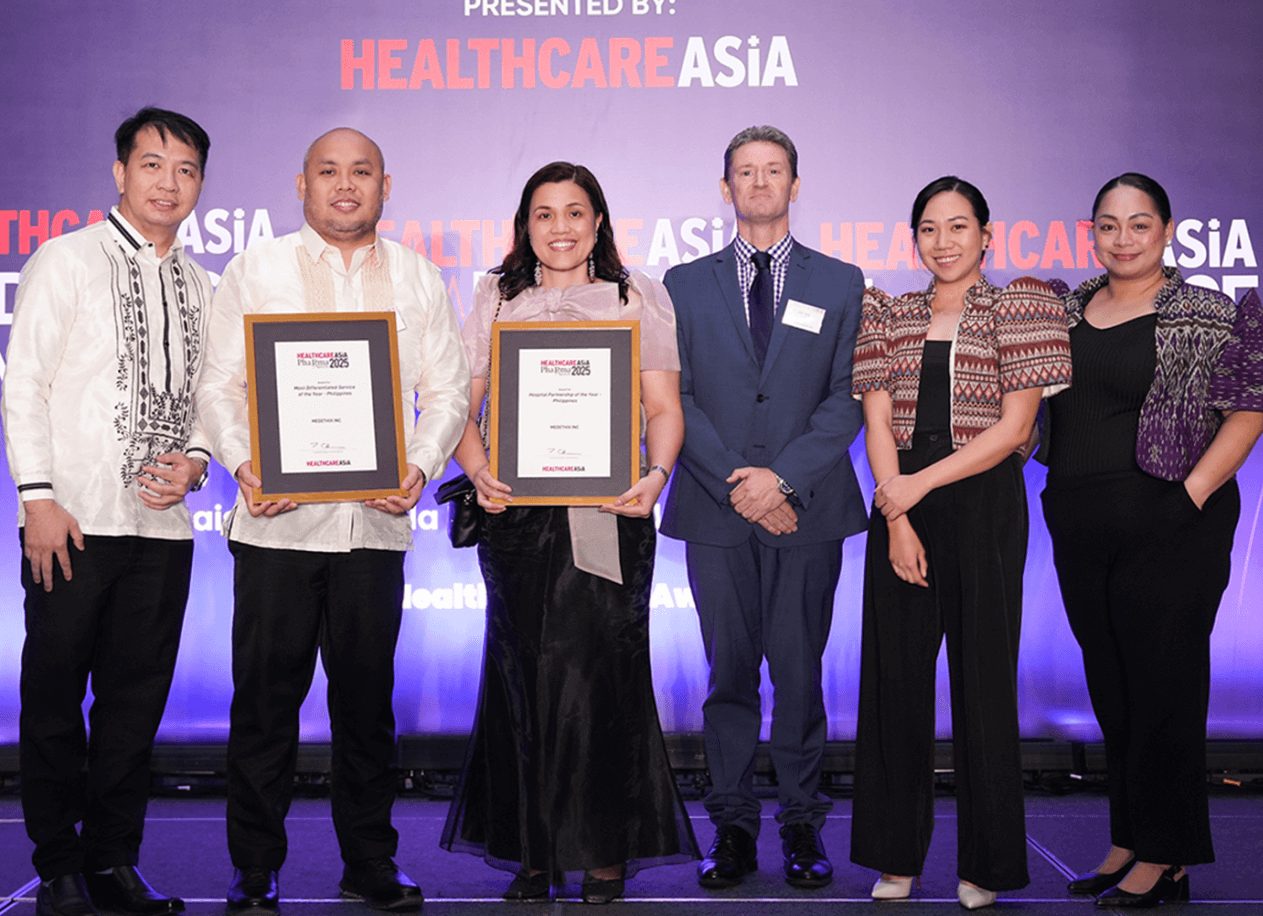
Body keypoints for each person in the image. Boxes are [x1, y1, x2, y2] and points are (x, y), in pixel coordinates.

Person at [194, 128, 470, 915]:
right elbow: (218, 387)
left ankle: (370, 862)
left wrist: (417, 463)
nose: (344, 186)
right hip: (277, 528)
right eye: (328, 172)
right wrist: (247, 460)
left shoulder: (417, 277)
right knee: (264, 705)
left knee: (365, 706)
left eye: (361, 173)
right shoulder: (256, 270)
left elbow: (447, 391)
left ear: (387, 185)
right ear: (300, 183)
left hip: (372, 530)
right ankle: (254, 866)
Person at [439, 161, 697, 904]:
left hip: (607, 519)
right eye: (544, 214)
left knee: (600, 682)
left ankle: (604, 850)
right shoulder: (497, 294)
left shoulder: (633, 294)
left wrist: (655, 477)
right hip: (516, 521)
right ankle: (535, 851)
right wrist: (480, 468)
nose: (560, 228)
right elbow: (464, 401)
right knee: (524, 680)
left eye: (575, 213)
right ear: (525, 225)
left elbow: (661, 407)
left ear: (598, 222)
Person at [1038, 173, 1263, 908]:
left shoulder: (1209, 311)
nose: (1123, 239)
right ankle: (1132, 837)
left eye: (1139, 225)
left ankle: (1166, 857)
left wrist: (1192, 494)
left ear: (1167, 231)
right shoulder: (1065, 312)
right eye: (1108, 225)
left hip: (1172, 521)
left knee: (1164, 689)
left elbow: (1253, 404)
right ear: (1091, 233)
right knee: (1112, 687)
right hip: (1079, 520)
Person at [1, 107, 214, 916]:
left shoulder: (204, 285)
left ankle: (113, 862)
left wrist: (197, 460)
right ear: (120, 173)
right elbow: (25, 383)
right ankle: (56, 864)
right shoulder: (65, 259)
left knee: (135, 705)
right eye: (153, 164)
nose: (169, 182)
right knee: (55, 696)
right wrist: (37, 498)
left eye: (186, 169)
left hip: (160, 532)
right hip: (73, 520)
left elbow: (211, 403)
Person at [849, 177, 1072, 909]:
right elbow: (878, 424)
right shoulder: (889, 311)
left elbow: (1013, 431)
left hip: (982, 503)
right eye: (929, 229)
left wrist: (918, 488)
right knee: (895, 686)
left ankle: (986, 866)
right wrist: (900, 513)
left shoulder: (1021, 306)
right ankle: (895, 860)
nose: (943, 243)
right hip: (902, 505)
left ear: (986, 235)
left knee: (984, 685)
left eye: (958, 227)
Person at [660, 126, 866, 890]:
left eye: (772, 170)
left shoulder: (842, 282)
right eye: (744, 172)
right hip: (715, 512)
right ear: (725, 189)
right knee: (730, 677)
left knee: (801, 674)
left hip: (807, 509)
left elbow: (849, 399)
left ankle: (804, 826)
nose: (758, 182)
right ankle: (734, 829)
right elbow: (673, 397)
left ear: (795, 184)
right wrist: (737, 483)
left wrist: (778, 481)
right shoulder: (680, 284)